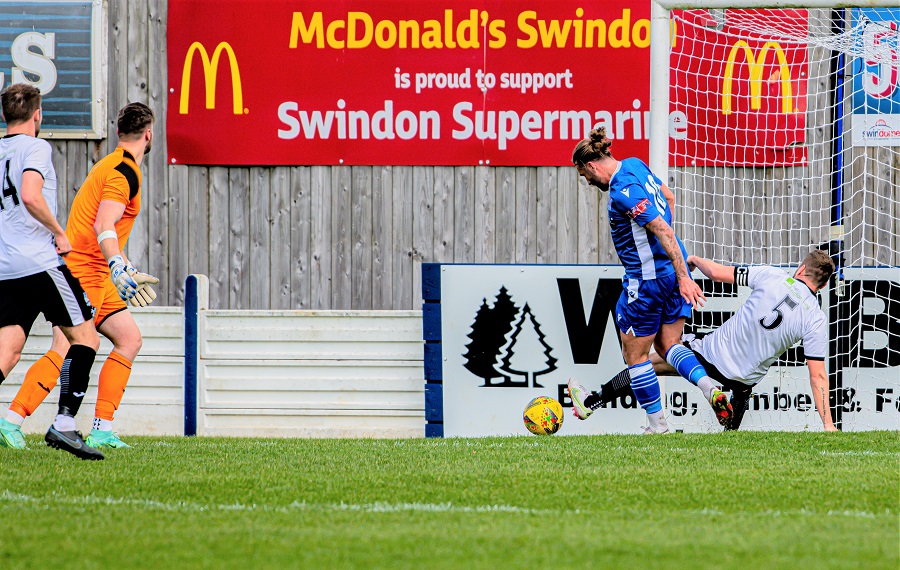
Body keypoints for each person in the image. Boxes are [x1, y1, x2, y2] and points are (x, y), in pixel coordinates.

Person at [0, 102, 158, 450]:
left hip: (98, 268)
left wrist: (122, 264)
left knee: (129, 339)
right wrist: (118, 266)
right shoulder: (124, 171)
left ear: (119, 133)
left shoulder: (111, 163)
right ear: (149, 135)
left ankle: (102, 427)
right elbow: (103, 224)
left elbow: (101, 226)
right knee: (67, 344)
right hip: (88, 268)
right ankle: (12, 418)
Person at [567, 128, 731, 434]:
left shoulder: (621, 190)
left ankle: (658, 427)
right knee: (670, 345)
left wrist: (683, 276)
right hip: (670, 271)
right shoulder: (635, 164)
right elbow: (668, 197)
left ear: (590, 166)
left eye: (584, 175)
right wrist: (677, 269)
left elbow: (662, 230)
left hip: (647, 281)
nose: (588, 182)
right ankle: (711, 389)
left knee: (636, 356)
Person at [573, 251, 838, 432]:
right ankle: (729, 430)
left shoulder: (773, 276)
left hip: (711, 355)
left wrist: (694, 260)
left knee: (644, 364)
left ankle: (592, 401)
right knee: (740, 401)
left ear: (801, 269)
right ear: (823, 286)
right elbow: (817, 377)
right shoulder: (815, 318)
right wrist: (828, 424)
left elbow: (716, 273)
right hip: (743, 378)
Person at [0, 83, 103, 459]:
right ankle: (63, 426)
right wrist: (59, 233)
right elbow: (30, 194)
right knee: (86, 338)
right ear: (37, 114)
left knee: (7, 352)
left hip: (6, 268)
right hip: (40, 264)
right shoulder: (36, 147)